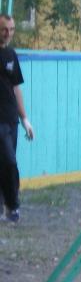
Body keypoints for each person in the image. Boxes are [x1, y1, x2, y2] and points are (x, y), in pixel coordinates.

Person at [0, 15, 34, 223]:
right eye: (4, 29)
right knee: (9, 161)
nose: (8, 33)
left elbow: (16, 88)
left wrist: (25, 119)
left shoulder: (11, 54)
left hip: (11, 118)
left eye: (12, 29)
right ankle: (12, 205)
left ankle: (6, 205)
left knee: (7, 161)